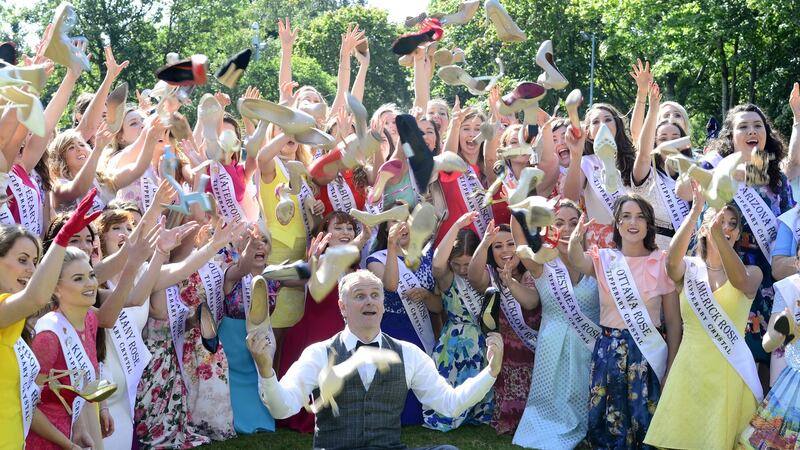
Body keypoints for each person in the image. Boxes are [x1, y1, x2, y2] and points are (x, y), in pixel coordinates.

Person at [247, 270, 503, 450]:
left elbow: (450, 404)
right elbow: (282, 408)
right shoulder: (319, 353)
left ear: (382, 303)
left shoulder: (409, 353)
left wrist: (490, 372)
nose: (369, 301)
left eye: (374, 295)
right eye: (359, 296)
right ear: (343, 307)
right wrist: (266, 371)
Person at [645, 189, 760, 449]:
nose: (726, 227)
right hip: (691, 368)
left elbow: (740, 282)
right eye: (720, 221)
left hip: (730, 371)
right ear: (703, 229)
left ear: (739, 233)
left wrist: (718, 235)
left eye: (732, 224)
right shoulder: (689, 268)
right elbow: (670, 262)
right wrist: (695, 211)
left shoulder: (752, 272)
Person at [568, 193, 681, 449]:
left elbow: (674, 323)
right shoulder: (605, 259)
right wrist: (575, 241)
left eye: (641, 217)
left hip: (647, 352)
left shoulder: (661, 262)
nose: (633, 222)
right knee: (608, 423)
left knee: (643, 421)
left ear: (649, 224)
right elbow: (577, 260)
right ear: (617, 223)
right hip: (609, 350)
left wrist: (672, 366)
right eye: (626, 216)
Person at [513, 199, 601, 449]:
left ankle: (585, 431)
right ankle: (544, 429)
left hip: (588, 344)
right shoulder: (541, 263)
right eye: (559, 223)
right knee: (550, 398)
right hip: (552, 343)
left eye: (574, 222)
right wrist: (519, 202)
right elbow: (519, 238)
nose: (567, 228)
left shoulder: (596, 262)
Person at [423, 212, 492, 431]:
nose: (462, 269)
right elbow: (436, 263)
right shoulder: (447, 276)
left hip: (480, 338)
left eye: (467, 263)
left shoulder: (482, 275)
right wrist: (457, 225)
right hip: (453, 341)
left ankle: (474, 414)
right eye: (457, 263)